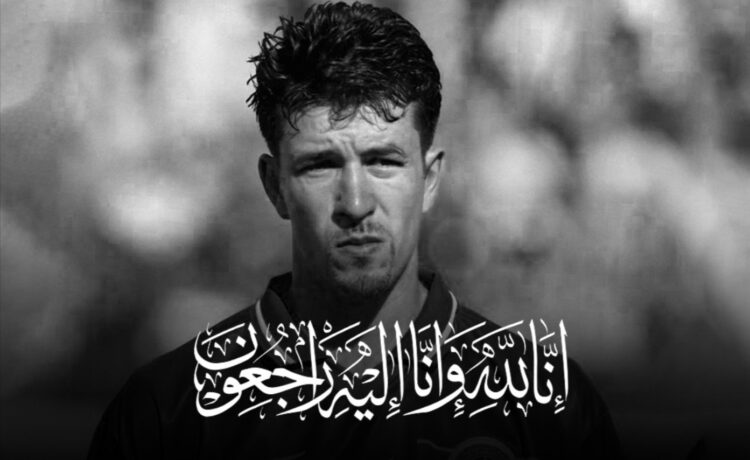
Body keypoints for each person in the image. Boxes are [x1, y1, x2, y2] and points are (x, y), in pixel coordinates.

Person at [88, 2, 620, 459]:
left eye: (384, 161)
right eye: (320, 166)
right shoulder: (167, 416)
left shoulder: (549, 413)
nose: (357, 203)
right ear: (274, 186)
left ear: (431, 179)